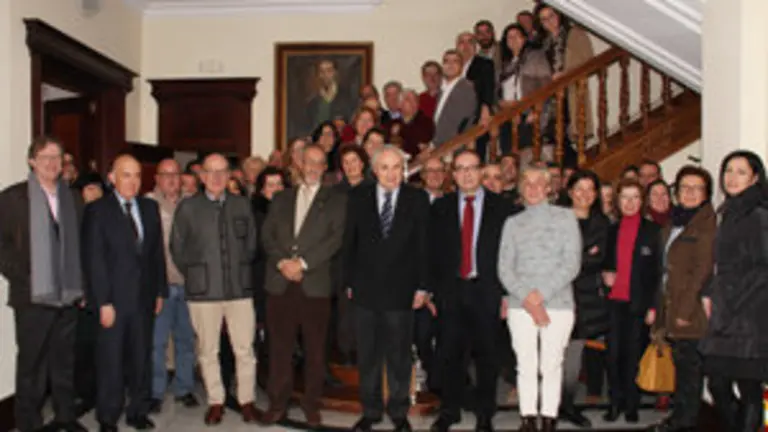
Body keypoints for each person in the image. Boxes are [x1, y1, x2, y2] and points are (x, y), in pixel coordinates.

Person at [0, 137, 87, 432]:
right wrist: (24, 275)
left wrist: (82, 286)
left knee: (64, 362)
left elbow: (81, 246)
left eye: (57, 157)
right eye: (45, 157)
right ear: (32, 161)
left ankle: (65, 416)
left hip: (68, 295)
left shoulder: (73, 198)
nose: (52, 163)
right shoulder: (13, 198)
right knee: (32, 366)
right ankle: (29, 423)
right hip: (32, 297)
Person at [343, 146, 430, 432]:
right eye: (385, 168)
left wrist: (423, 287)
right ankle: (370, 411)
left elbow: (424, 246)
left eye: (397, 168)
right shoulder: (358, 197)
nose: (392, 174)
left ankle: (398, 412)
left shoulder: (417, 199)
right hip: (365, 291)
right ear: (375, 170)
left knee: (398, 356)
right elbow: (349, 243)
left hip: (402, 292)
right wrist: (348, 282)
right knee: (368, 356)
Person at [260, 145, 347, 427]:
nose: (312, 167)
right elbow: (268, 236)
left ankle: (311, 405)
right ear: (299, 165)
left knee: (315, 350)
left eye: (319, 163)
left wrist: (303, 264)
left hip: (315, 284)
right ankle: (277, 404)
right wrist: (282, 263)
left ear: (325, 168)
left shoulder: (336, 200)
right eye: (308, 162)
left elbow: (334, 240)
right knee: (280, 349)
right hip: (280, 283)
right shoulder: (282, 198)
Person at [170, 153, 259, 425]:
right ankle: (216, 401)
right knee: (208, 351)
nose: (217, 177)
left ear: (231, 174)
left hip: (239, 290)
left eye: (222, 171)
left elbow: (252, 245)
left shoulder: (242, 205)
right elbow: (178, 249)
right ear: (202, 176)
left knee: (245, 350)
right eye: (211, 171)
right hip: (203, 292)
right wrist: (197, 273)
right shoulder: (188, 207)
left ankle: (246, 401)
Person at [429, 150, 513, 432]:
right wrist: (432, 291)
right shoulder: (440, 208)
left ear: (481, 172)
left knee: (487, 357)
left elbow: (510, 256)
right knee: (451, 354)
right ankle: (449, 411)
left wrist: (505, 294)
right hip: (451, 292)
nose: (466, 174)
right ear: (453, 175)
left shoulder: (503, 208)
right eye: (461, 169)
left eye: (472, 168)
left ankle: (485, 414)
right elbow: (432, 254)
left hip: (487, 291)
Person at [83, 154, 167, 432]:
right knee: (111, 361)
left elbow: (156, 256)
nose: (132, 181)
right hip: (113, 302)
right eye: (126, 174)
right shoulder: (98, 211)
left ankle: (138, 411)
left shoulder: (149, 208)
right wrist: (103, 302)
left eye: (137, 175)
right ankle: (107, 417)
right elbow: (94, 261)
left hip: (144, 300)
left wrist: (159, 292)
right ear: (111, 178)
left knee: (141, 357)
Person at [498, 166, 581, 432]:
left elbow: (571, 264)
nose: (533, 188)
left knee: (552, 363)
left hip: (557, 303)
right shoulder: (512, 223)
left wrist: (540, 295)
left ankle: (548, 417)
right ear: (521, 188)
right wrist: (528, 299)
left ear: (549, 188)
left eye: (539, 183)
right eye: (527, 183)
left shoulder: (566, 218)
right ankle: (528, 417)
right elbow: (504, 268)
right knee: (525, 363)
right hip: (520, 304)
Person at [699, 150, 768, 432]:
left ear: (755, 177)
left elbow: (763, 267)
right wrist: (709, 291)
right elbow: (723, 265)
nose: (732, 177)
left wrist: (731, 300)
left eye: (741, 171)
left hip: (750, 314)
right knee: (717, 382)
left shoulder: (758, 214)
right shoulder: (729, 212)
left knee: (750, 387)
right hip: (727, 310)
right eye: (728, 170)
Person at [646, 166, 715, 432]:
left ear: (706, 194)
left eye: (696, 188)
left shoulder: (705, 223)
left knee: (689, 370)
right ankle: (680, 417)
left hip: (690, 309)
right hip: (671, 303)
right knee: (682, 366)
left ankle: (685, 422)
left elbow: (702, 269)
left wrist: (685, 310)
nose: (689, 193)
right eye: (684, 187)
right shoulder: (675, 221)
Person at [601, 178, 661, 424]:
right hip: (614, 302)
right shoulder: (611, 229)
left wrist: (654, 306)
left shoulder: (653, 231)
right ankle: (615, 402)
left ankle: (631, 405)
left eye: (635, 197)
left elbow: (659, 273)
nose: (630, 202)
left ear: (642, 200)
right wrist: (605, 273)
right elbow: (605, 262)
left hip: (639, 303)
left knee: (634, 355)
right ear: (617, 201)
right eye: (624, 197)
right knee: (613, 355)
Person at [145, 159, 199, 413]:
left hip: (188, 286)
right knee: (156, 342)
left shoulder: (192, 205)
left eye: (175, 175)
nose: (170, 180)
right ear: (156, 178)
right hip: (160, 287)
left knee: (186, 340)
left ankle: (184, 388)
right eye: (165, 175)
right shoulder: (146, 205)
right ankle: (155, 392)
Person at [559, 170, 610, 429]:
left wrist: (581, 258)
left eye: (590, 189)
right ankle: (547, 405)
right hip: (556, 294)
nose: (585, 195)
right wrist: (585, 256)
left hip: (586, 299)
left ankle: (567, 405)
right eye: (579, 189)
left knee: (574, 355)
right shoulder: (556, 220)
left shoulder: (602, 223)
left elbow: (599, 259)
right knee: (551, 353)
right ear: (569, 192)